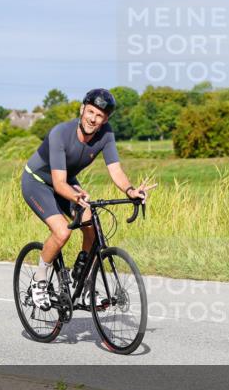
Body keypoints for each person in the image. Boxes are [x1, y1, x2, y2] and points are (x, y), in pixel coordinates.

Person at [21, 88, 155, 309]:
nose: (93, 119)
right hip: (38, 182)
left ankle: (82, 285)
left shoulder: (106, 135)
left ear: (106, 120)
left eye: (100, 116)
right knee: (62, 231)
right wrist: (76, 195)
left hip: (66, 181)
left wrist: (131, 191)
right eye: (91, 112)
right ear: (82, 109)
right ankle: (39, 280)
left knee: (91, 225)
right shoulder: (60, 134)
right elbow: (58, 183)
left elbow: (116, 170)